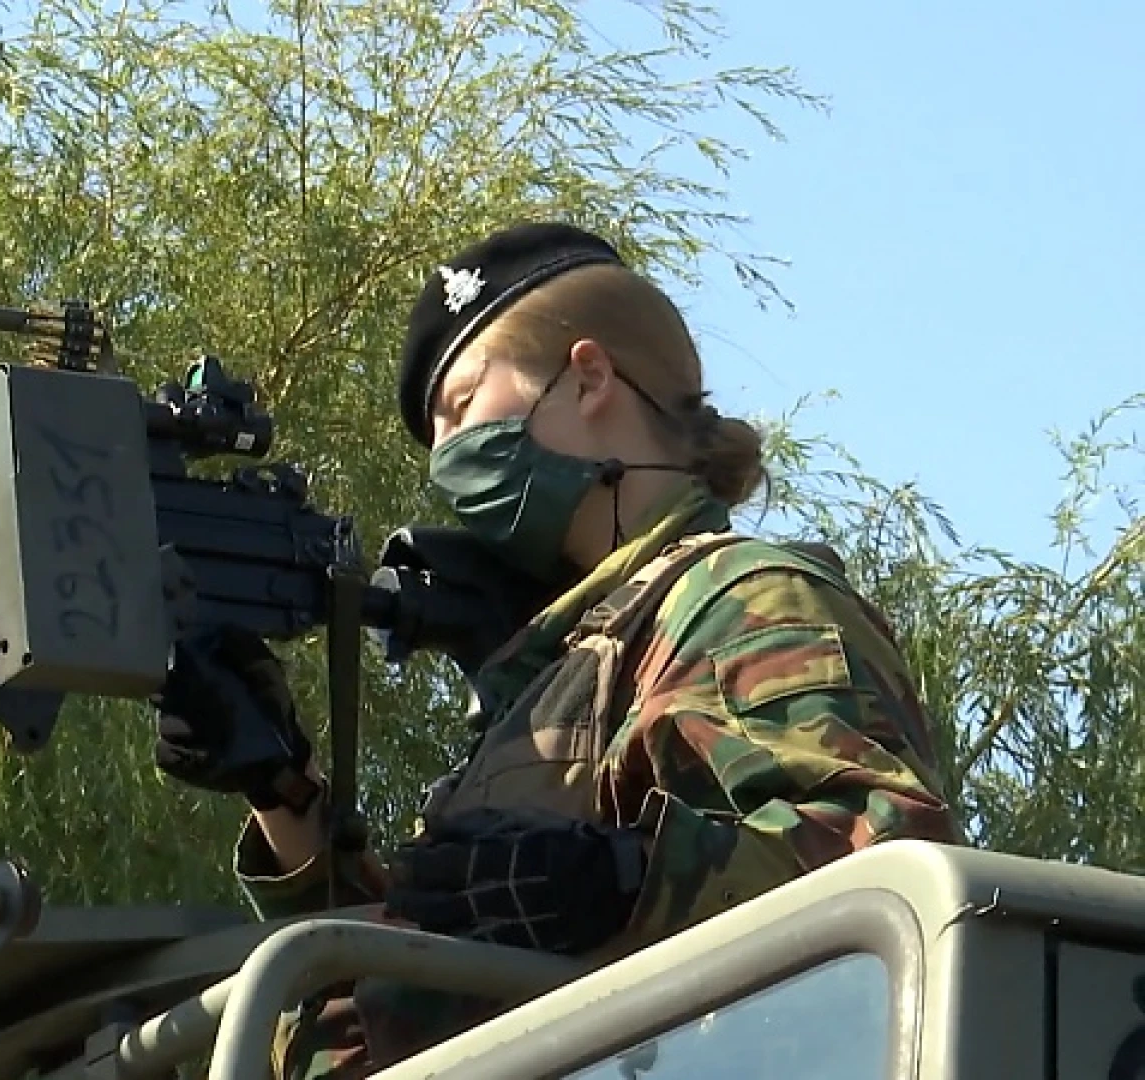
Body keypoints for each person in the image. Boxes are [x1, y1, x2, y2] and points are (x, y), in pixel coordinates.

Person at [149, 222, 962, 1079]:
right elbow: (401, 1013)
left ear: (589, 376)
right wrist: (283, 796)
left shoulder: (739, 598)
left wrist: (614, 878)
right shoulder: (553, 684)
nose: (449, 462)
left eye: (462, 407)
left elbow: (878, 868)